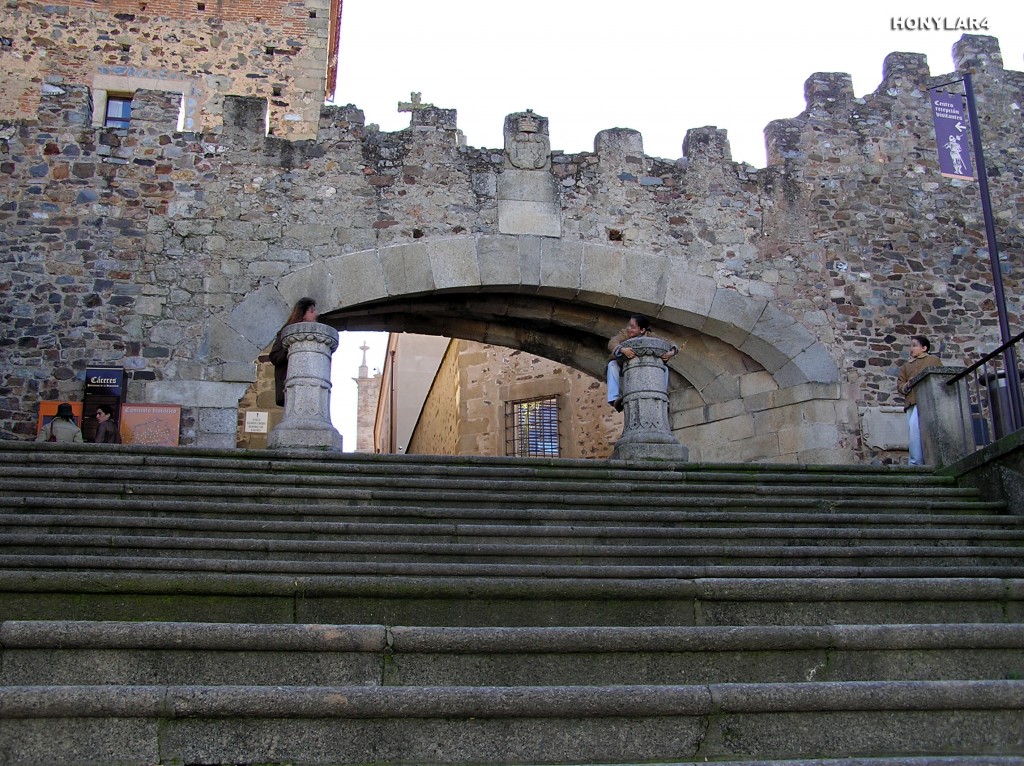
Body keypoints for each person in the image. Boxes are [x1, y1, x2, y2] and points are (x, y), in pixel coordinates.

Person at [606, 314, 678, 411]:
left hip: (646, 366)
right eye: (629, 325)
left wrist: (672, 352)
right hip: (625, 366)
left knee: (664, 369)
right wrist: (623, 350)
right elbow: (612, 342)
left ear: (642, 330)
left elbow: (670, 342)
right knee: (612, 365)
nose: (629, 328)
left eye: (633, 327)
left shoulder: (650, 336)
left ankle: (663, 398)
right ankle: (614, 399)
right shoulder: (625, 334)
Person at [897, 334, 941, 465]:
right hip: (911, 402)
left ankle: (916, 463)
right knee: (913, 432)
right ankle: (916, 461)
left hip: (926, 401)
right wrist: (907, 385)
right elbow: (900, 385)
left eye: (915, 346)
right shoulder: (906, 366)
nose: (911, 348)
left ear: (924, 348)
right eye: (911, 346)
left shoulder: (933, 360)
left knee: (916, 429)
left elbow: (939, 378)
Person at [269, 297, 319, 407]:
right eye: (312, 311)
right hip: (290, 387)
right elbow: (274, 357)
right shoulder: (286, 333)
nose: (316, 314)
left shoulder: (316, 336)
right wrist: (290, 348)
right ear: (303, 313)